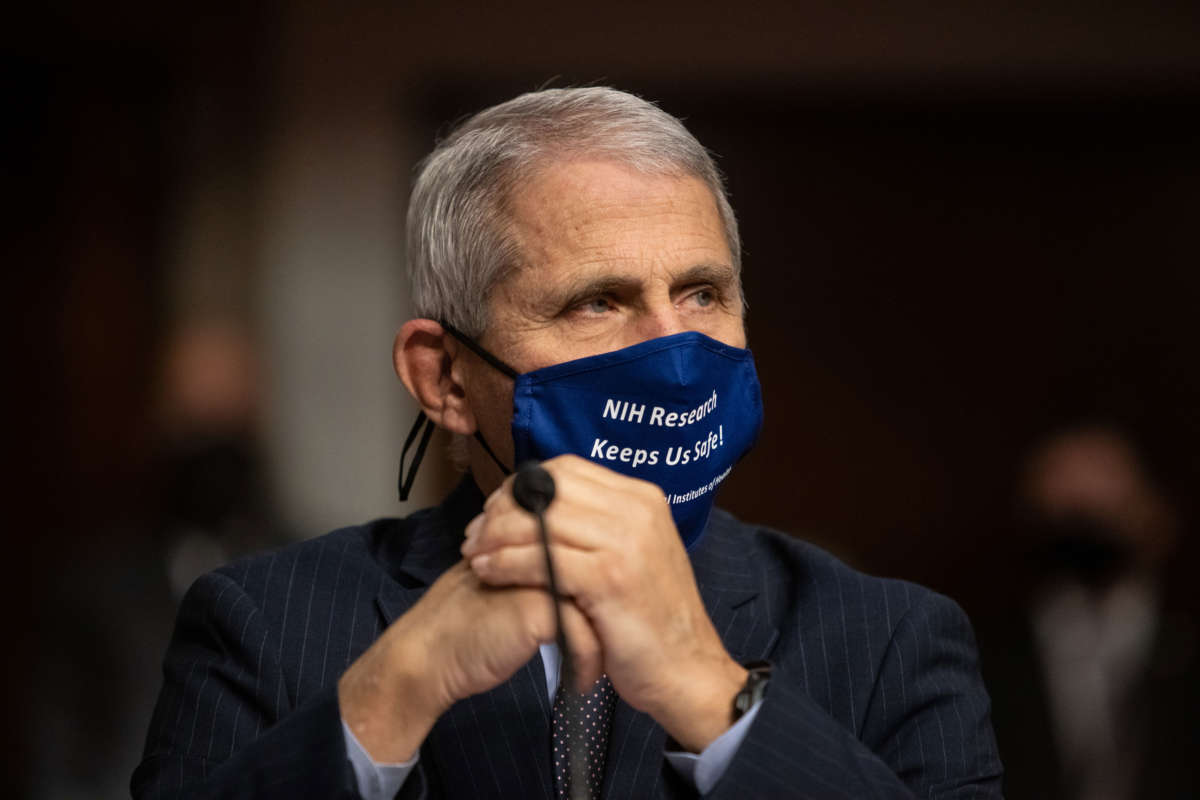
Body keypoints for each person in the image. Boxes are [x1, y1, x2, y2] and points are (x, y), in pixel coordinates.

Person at [133, 87, 1002, 799]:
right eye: (597, 302)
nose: (673, 353)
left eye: (702, 294)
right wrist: (393, 693)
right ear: (445, 379)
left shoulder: (891, 639)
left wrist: (711, 694)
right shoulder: (264, 626)